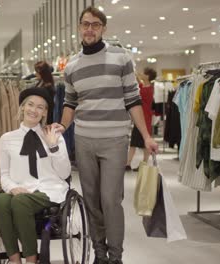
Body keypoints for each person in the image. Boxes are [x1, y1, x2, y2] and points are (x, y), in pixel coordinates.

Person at [51, 6, 158, 264]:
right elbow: (70, 103)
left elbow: (133, 100)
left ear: (103, 28)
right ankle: (99, 254)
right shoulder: (73, 66)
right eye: (85, 24)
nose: (90, 29)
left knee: (111, 200)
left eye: (95, 24)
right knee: (91, 201)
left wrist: (146, 136)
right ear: (79, 27)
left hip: (114, 140)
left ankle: (115, 256)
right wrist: (62, 127)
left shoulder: (121, 58)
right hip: (84, 140)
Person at [0, 87, 71, 264]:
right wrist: (13, 188)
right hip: (20, 189)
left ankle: (31, 259)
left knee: (20, 202)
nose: (34, 110)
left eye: (40, 107)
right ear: (22, 107)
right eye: (30, 105)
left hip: (49, 190)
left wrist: (53, 147)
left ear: (45, 113)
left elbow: (65, 173)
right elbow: (4, 175)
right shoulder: (7, 139)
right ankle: (14, 258)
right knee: (2, 202)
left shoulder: (54, 135)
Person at [126, 67, 156, 171]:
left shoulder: (149, 89)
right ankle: (128, 163)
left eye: (144, 73)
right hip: (140, 118)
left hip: (145, 119)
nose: (142, 74)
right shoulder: (146, 87)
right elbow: (139, 86)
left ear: (148, 76)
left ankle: (142, 164)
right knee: (134, 143)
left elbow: (140, 90)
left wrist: (137, 76)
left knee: (144, 145)